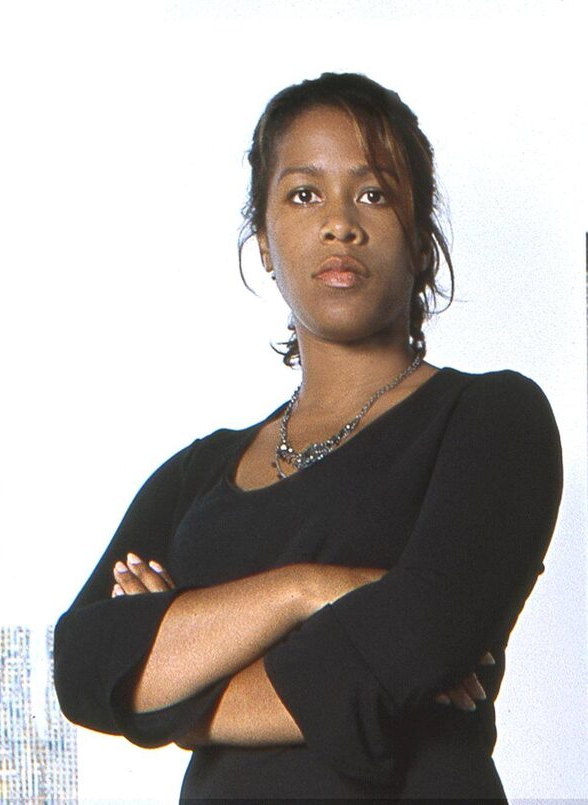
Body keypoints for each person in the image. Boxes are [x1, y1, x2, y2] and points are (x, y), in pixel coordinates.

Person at [54, 72, 563, 800]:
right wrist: (306, 590)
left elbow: (397, 659)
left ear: (421, 241)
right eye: (302, 194)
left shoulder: (491, 418)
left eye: (373, 193)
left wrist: (175, 688)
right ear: (264, 243)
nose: (339, 224)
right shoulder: (197, 473)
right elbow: (84, 666)